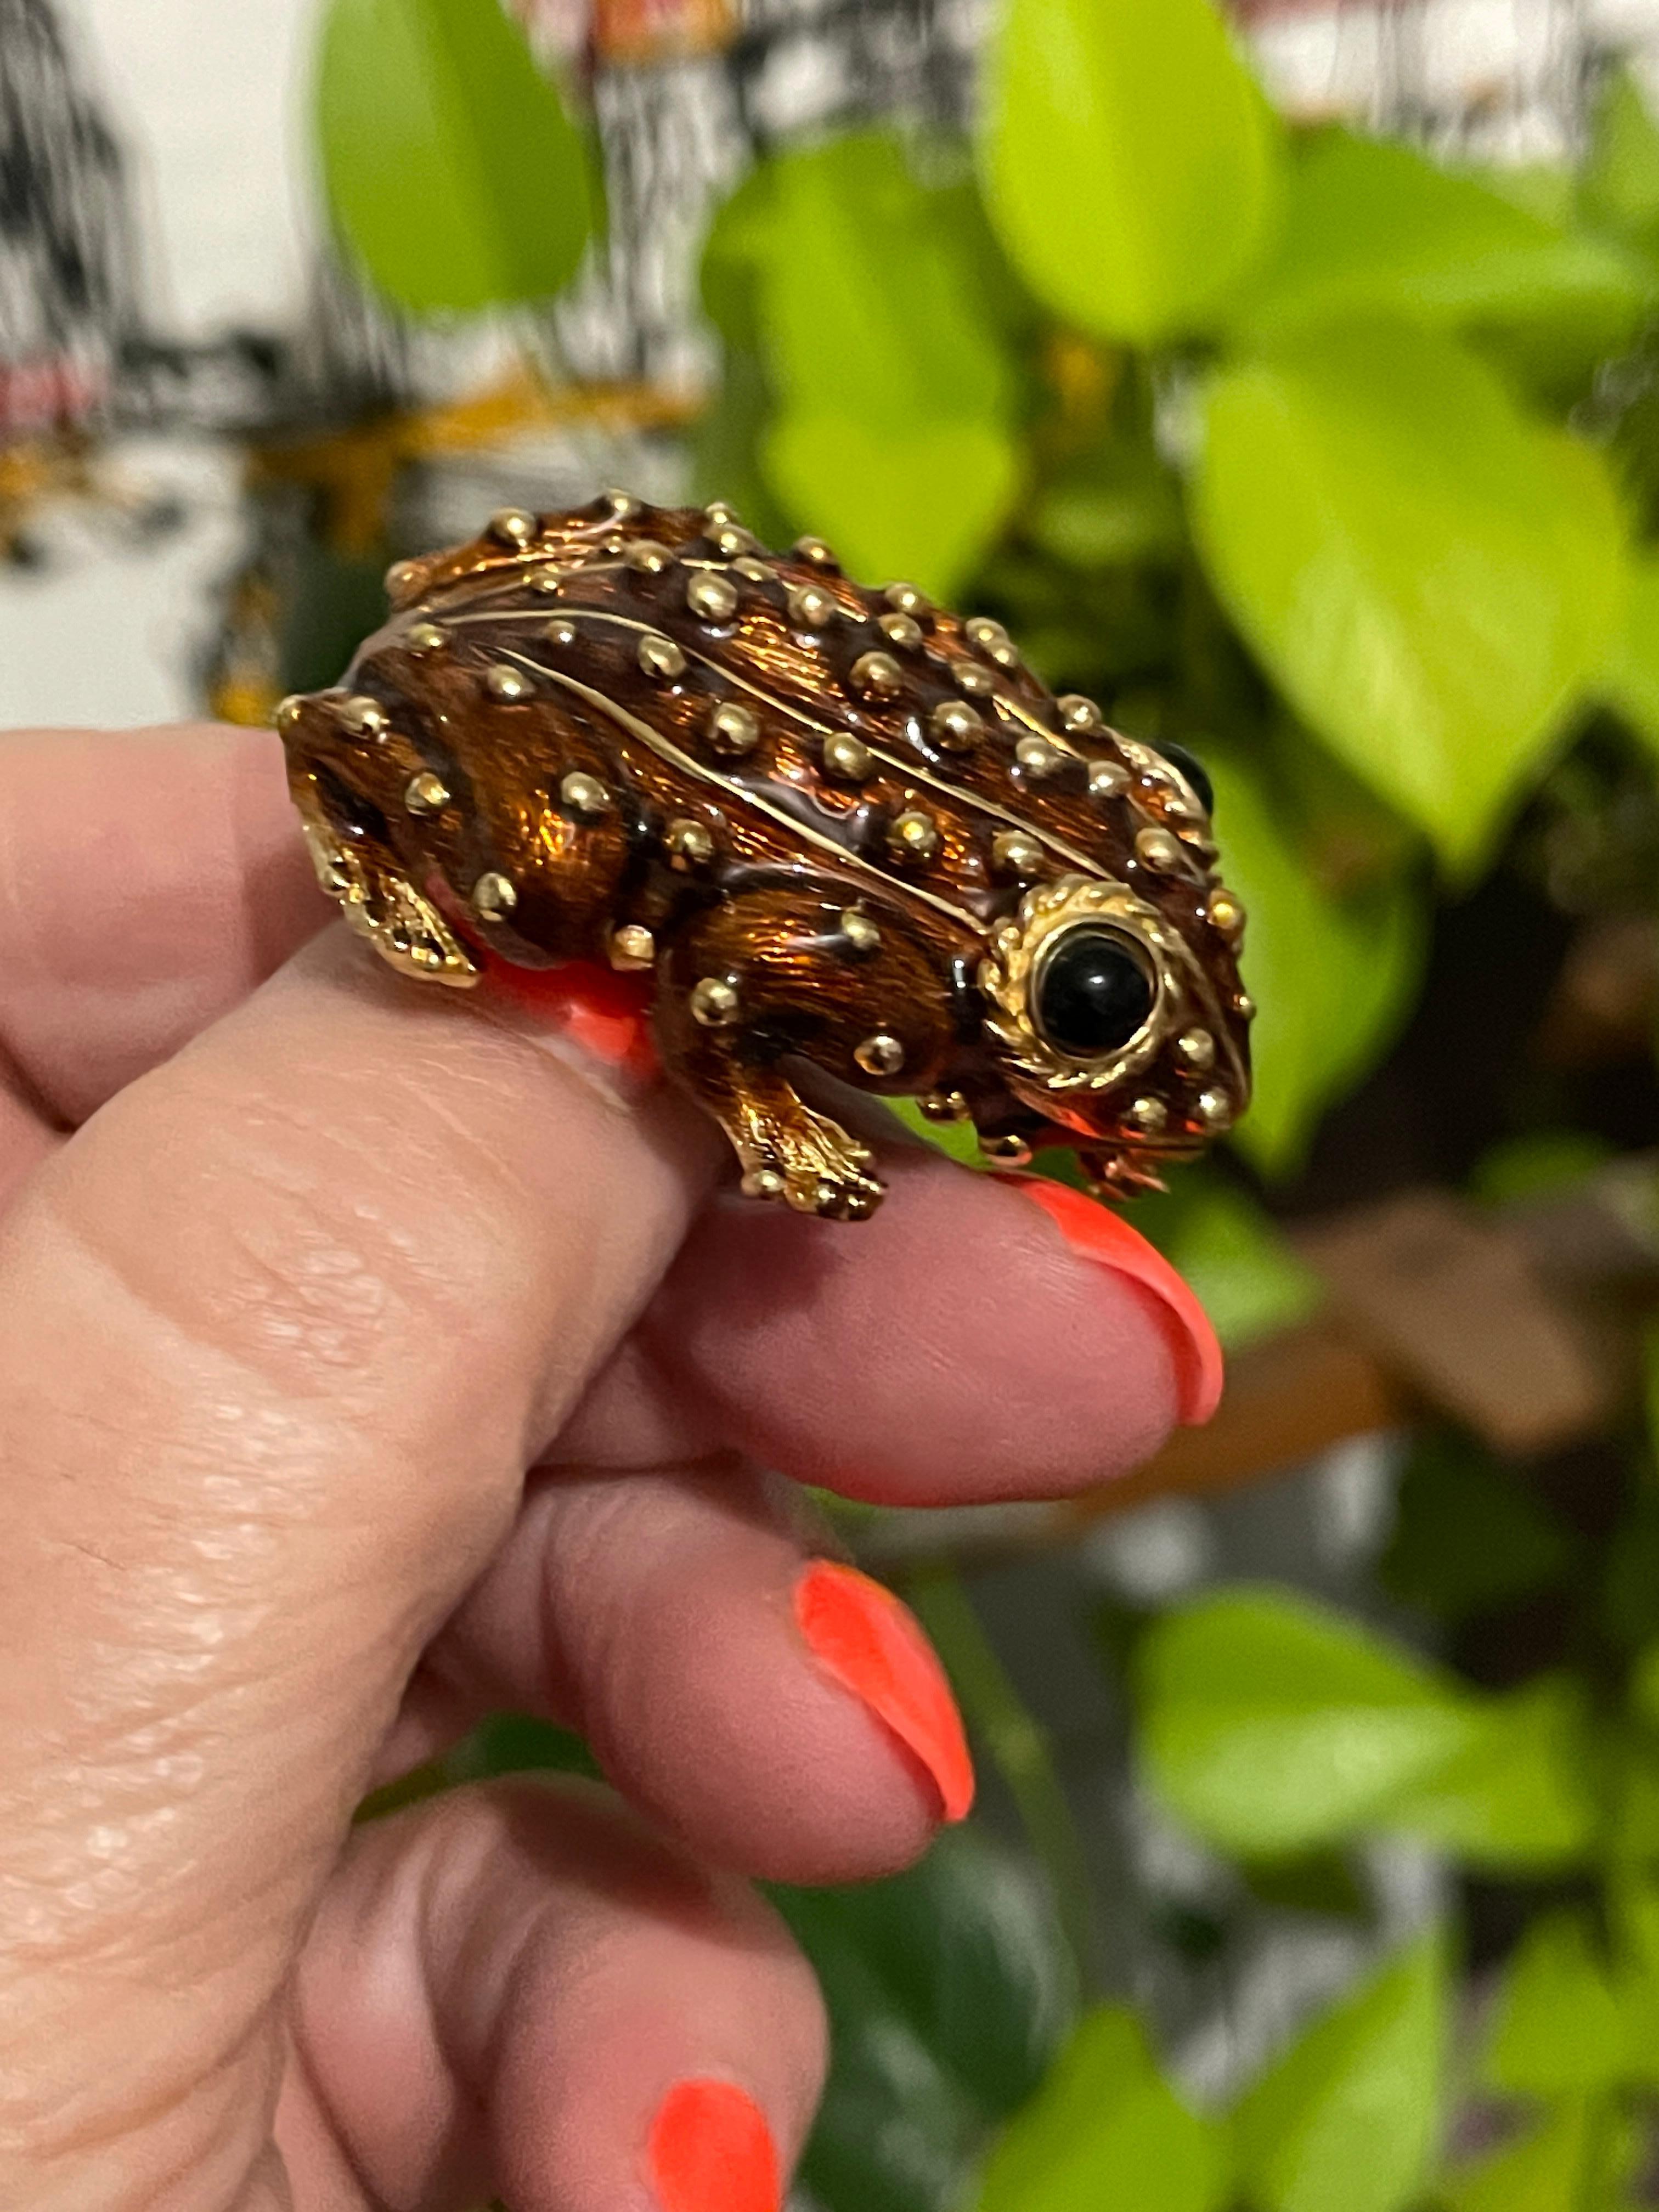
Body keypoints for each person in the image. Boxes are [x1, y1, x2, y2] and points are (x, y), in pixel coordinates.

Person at [0, 721, 1217, 2212]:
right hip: (553, 751)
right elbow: (723, 958)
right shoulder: (848, 919)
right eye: (1093, 1005)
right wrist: (674, 1067)